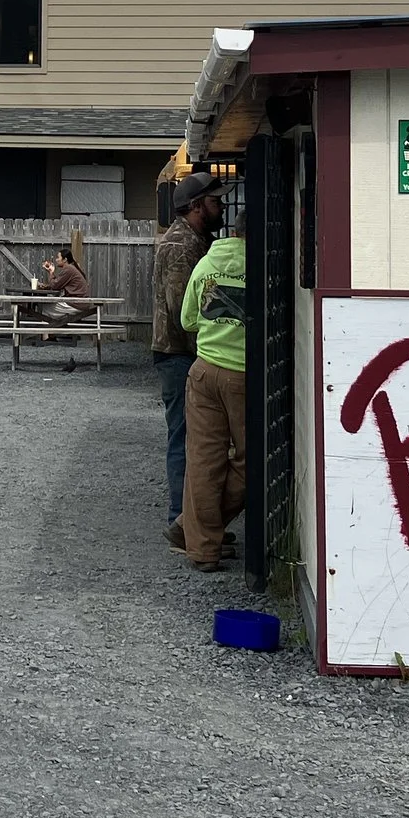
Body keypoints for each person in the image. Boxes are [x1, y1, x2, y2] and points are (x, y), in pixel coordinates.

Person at [177, 216, 249, 571]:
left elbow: (188, 320)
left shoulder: (206, 264)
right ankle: (200, 528)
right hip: (244, 374)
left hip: (203, 370)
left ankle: (201, 546)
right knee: (253, 460)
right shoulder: (261, 264)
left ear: (233, 231)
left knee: (204, 462)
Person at [154, 176, 218, 541]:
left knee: (196, 439)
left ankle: (194, 522)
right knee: (184, 438)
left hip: (182, 354)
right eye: (214, 201)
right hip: (179, 355)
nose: (221, 206)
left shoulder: (196, 242)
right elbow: (184, 312)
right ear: (196, 206)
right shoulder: (181, 246)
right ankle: (180, 523)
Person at [33, 247, 90, 325]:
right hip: (79, 302)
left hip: (77, 304)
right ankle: (50, 335)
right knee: (49, 307)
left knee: (43, 309)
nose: (56, 260)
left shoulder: (69, 269)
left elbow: (54, 285)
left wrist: (51, 272)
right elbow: (58, 283)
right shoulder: (70, 268)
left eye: (58, 257)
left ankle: (48, 336)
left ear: (65, 259)